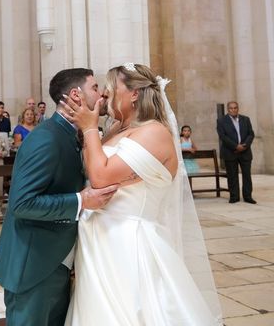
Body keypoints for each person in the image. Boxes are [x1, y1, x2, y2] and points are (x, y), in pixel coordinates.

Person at [60, 63, 222, 325]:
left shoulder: (154, 132)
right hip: (99, 240)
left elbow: (100, 177)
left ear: (134, 93)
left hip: (127, 243)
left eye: (112, 87)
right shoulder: (117, 129)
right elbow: (92, 169)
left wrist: (90, 128)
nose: (105, 94)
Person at [0, 69, 117, 325]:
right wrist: (82, 201)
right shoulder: (46, 138)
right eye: (95, 87)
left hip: (55, 260)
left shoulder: (70, 134)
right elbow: (22, 204)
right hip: (34, 265)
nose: (102, 93)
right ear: (75, 95)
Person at [217, 101, 256, 204]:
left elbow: (251, 134)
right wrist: (235, 146)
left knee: (247, 175)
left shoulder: (245, 119)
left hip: (245, 151)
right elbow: (223, 136)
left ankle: (248, 196)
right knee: (232, 176)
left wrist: (245, 145)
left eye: (235, 108)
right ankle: (234, 196)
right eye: (231, 108)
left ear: (238, 108)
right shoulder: (221, 121)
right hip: (230, 152)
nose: (233, 110)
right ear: (227, 109)